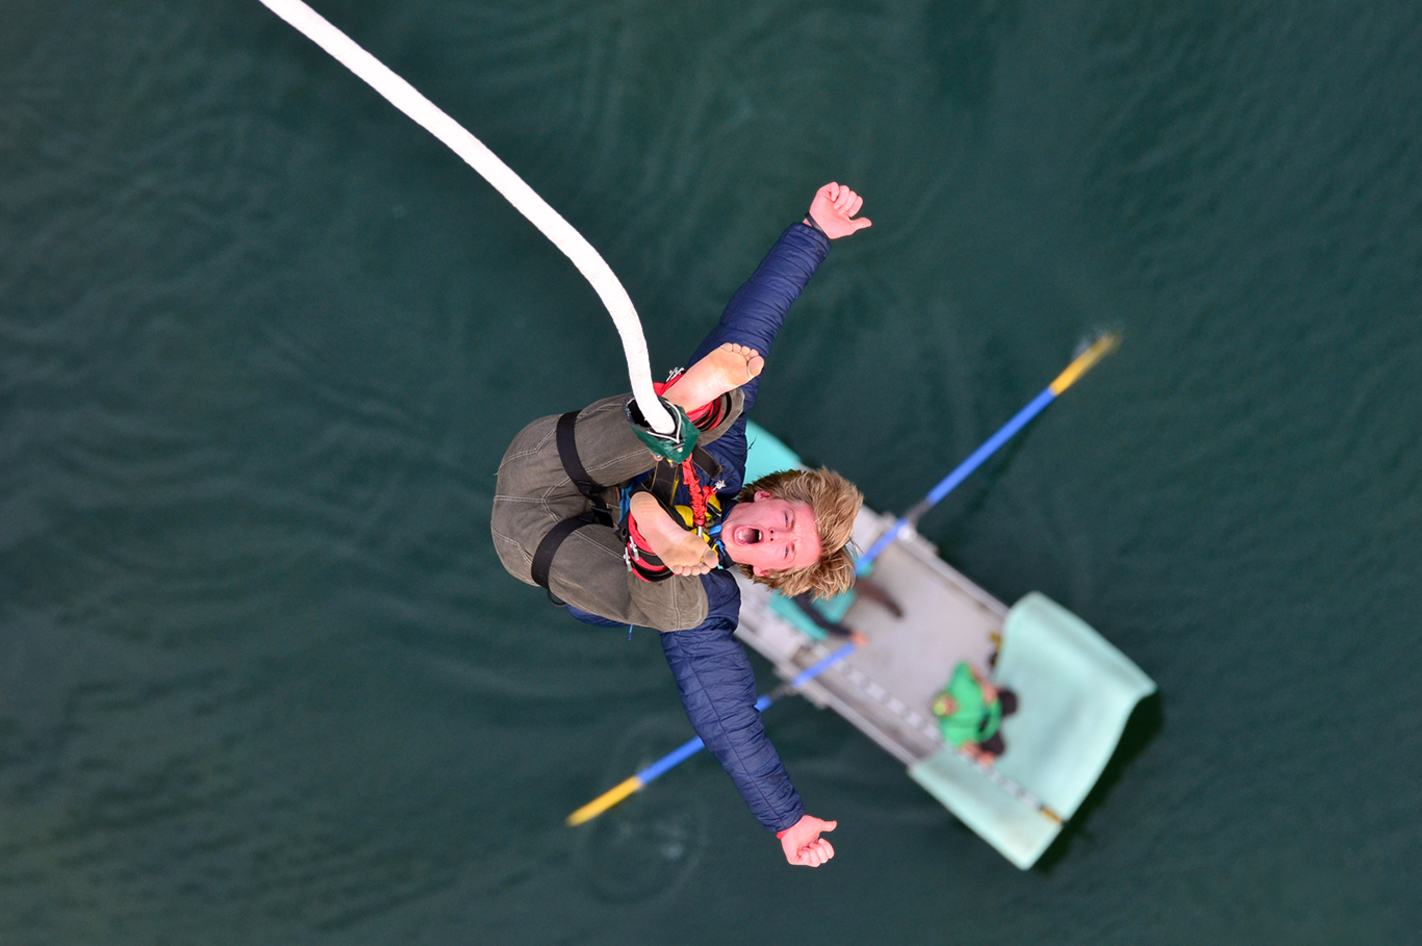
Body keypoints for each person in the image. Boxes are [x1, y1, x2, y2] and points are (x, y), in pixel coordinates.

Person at [491, 183, 871, 867]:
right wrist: (811, 235)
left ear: (765, 572)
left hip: (539, 547)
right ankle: (679, 410)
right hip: (551, 465)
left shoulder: (713, 604)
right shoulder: (725, 465)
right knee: (715, 408)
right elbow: (752, 329)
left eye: (784, 553)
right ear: (764, 496)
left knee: (684, 608)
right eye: (785, 520)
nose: (778, 538)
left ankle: (654, 547)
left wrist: (785, 820)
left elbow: (729, 719)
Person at [930, 661, 1019, 763]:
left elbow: (966, 665)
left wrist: (984, 684)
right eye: (942, 708)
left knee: (1011, 701)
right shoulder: (948, 729)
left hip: (991, 704)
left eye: (943, 701)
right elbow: (963, 746)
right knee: (998, 750)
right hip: (982, 726)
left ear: (944, 694)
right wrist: (979, 755)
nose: (947, 705)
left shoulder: (958, 682)